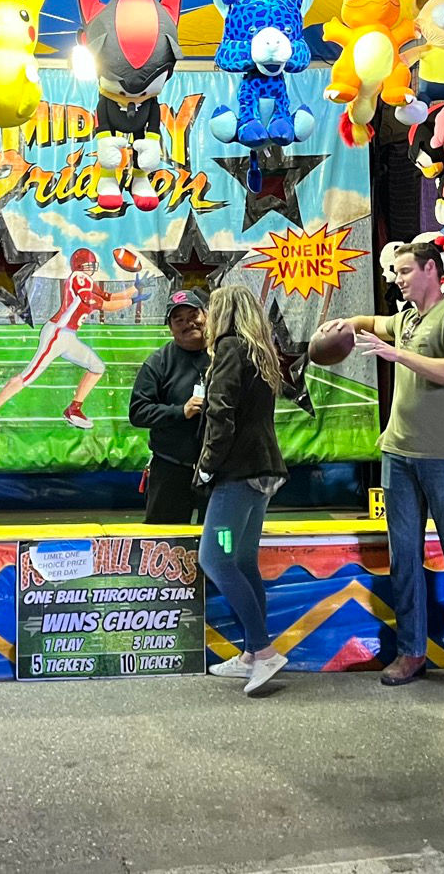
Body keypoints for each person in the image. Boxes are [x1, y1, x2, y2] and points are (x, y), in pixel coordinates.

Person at [321, 240, 444, 695]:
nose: (396, 278)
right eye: (394, 272)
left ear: (431, 269)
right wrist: (345, 324)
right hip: (398, 455)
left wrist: (396, 354)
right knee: (404, 561)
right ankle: (411, 650)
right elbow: (372, 323)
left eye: (404, 270)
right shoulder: (406, 318)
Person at [192, 285, 289, 695]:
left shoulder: (230, 348)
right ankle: (251, 653)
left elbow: (221, 413)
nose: (204, 320)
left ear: (223, 313)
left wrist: (207, 467)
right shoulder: (260, 351)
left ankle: (264, 652)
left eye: (210, 311)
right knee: (244, 561)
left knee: (215, 558)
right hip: (263, 471)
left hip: (238, 474)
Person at [0, 247, 139, 437]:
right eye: (88, 265)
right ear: (79, 266)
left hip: (68, 336)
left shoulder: (86, 281)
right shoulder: (79, 277)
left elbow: (108, 297)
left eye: (92, 266)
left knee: (97, 367)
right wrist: (130, 302)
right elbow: (98, 302)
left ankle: (74, 409)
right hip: (57, 333)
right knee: (29, 376)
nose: (91, 269)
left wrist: (136, 289)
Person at [128, 289, 209, 525]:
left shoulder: (224, 355)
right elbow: (138, 412)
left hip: (218, 470)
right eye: (179, 320)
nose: (188, 323)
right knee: (163, 546)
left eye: (193, 315)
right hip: (171, 468)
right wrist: (180, 411)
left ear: (206, 315)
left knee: (220, 545)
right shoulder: (158, 362)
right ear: (170, 328)